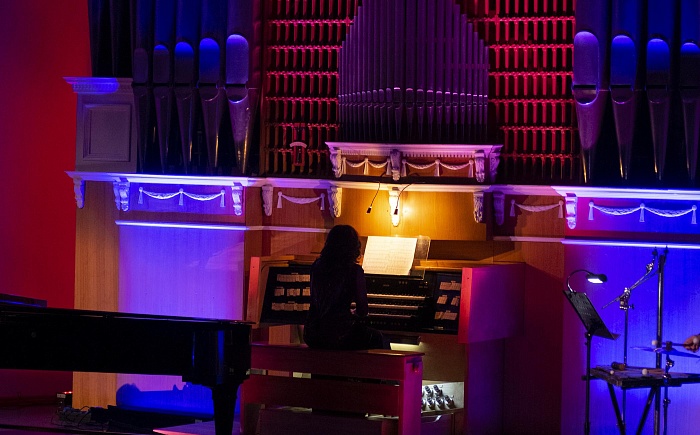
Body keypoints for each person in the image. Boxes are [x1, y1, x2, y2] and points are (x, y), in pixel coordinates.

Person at [303, 225, 388, 350]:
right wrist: (353, 313)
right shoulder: (354, 271)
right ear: (353, 247)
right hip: (339, 334)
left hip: (312, 333)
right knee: (379, 338)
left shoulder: (316, 266)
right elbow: (363, 311)